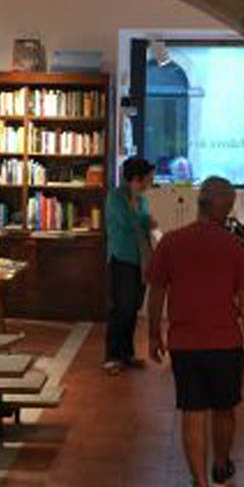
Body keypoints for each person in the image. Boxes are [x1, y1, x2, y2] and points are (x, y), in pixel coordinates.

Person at [145, 176, 244, 487]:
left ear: (200, 202)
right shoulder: (235, 248)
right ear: (227, 210)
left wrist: (154, 334)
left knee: (193, 412)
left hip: (186, 344)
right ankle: (221, 469)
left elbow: (156, 293)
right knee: (225, 409)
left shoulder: (171, 242)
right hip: (225, 342)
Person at [103, 156, 156, 373]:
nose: (150, 183)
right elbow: (128, 222)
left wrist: (145, 220)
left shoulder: (142, 199)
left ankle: (127, 353)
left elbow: (144, 222)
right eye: (147, 179)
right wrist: (145, 220)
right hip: (121, 258)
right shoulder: (115, 196)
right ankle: (112, 356)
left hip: (139, 260)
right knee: (121, 308)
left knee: (133, 307)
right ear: (136, 179)